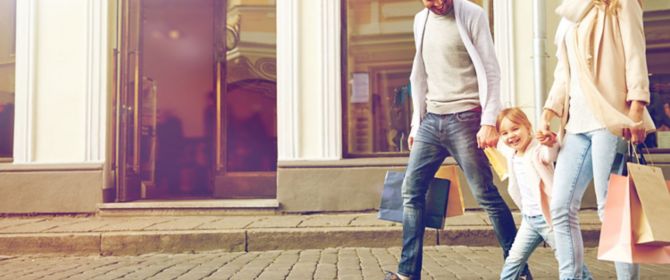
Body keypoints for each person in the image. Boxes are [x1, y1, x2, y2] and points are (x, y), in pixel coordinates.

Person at [384, 0, 528, 279]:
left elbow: (491, 70)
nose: (436, 3)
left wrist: (488, 121)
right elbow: (420, 74)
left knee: (486, 195)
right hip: (431, 120)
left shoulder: (473, 14)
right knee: (410, 192)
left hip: (466, 119)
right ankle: (407, 274)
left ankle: (518, 270)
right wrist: (416, 124)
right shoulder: (420, 20)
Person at [537, 0, 655, 279]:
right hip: (575, 122)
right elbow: (563, 71)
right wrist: (548, 110)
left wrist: (635, 110)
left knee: (610, 208)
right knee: (561, 207)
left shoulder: (621, 3)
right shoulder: (570, 11)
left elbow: (635, 54)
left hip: (610, 118)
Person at [496, 108, 592, 280]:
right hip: (529, 220)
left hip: (549, 219)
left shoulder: (537, 150)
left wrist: (550, 142)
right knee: (514, 259)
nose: (511, 136)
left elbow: (550, 154)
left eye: (515, 129)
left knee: (568, 259)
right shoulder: (512, 154)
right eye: (504, 133)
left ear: (527, 126)